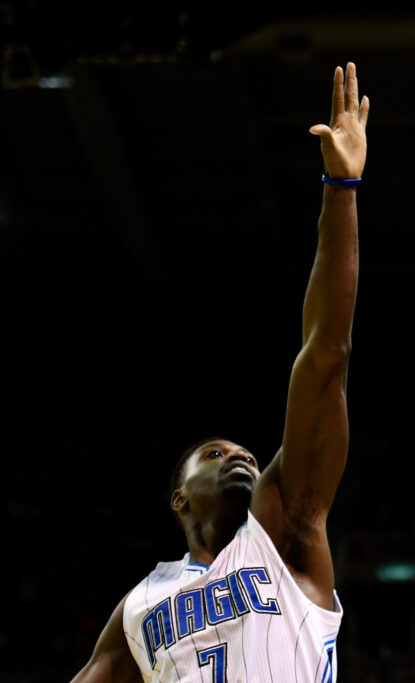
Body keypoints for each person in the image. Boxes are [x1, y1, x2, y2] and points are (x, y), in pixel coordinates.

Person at [72, 62, 369, 683]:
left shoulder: (286, 534)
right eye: (213, 452)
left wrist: (340, 189)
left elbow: (325, 355)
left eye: (244, 453)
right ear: (179, 496)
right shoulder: (137, 608)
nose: (239, 455)